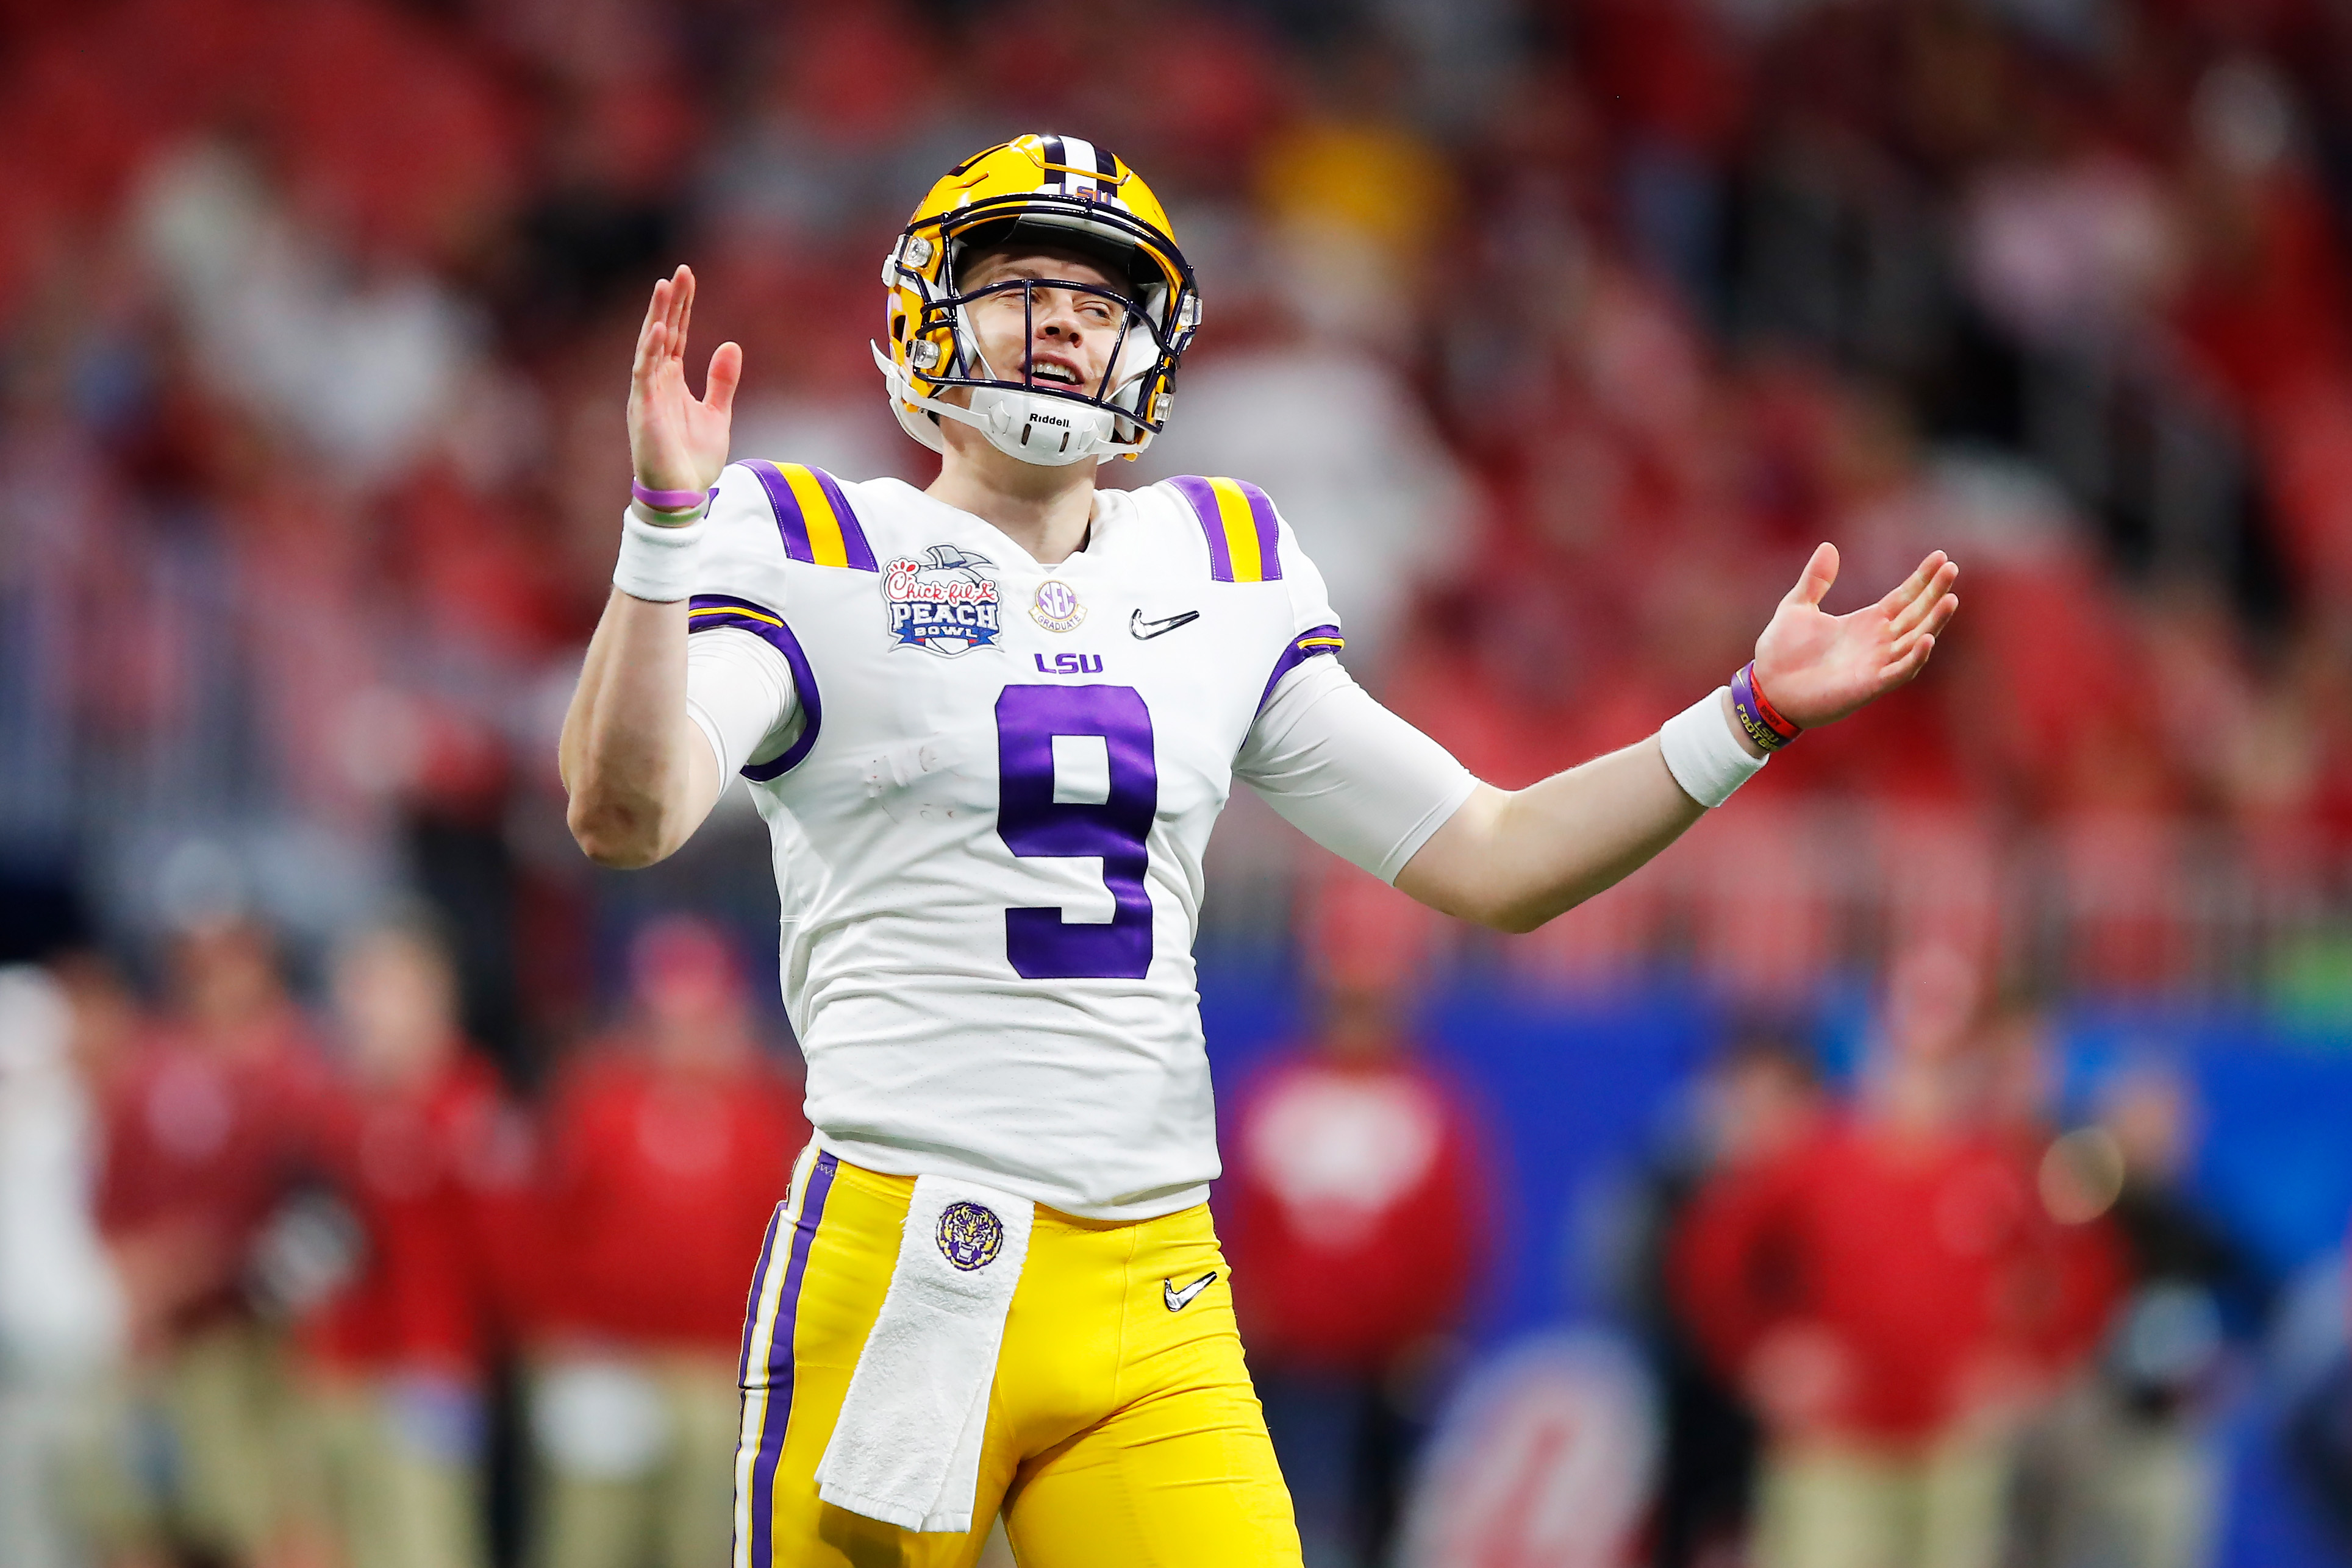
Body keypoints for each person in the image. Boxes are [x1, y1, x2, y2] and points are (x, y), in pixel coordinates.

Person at [556, 132, 1960, 1567]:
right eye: (1020, 285)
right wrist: (663, 530)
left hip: (1156, 1277)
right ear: (925, 310)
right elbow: (627, 812)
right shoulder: (809, 540)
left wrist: (1750, 713)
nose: (1058, 321)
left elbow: (1492, 852)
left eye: (1099, 302)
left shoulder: (1218, 562)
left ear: (1151, 350)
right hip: (909, 1258)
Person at [1671, 947, 2120, 1568]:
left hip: (1954, 1451)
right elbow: (1714, 1256)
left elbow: (2085, 1271)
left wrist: (2032, 1367)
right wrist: (1759, 1354)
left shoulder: (2002, 1163)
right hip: (1835, 1446)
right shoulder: (1815, 1155)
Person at [1221, 870, 1495, 1568]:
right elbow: (1238, 1218)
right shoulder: (1275, 1092)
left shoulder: (1429, 1102)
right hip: (1282, 1353)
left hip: (1385, 1357)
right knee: (1271, 1508)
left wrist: (1434, 1331)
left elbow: (1451, 1230)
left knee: (1380, 1515)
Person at [526, 916, 807, 1568]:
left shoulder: (766, 1109)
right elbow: (549, 1224)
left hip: (721, 1367)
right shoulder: (598, 1098)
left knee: (708, 1540)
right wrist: (558, 1338)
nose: (685, 1028)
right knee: (590, 1540)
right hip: (609, 1355)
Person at [294, 918, 515, 1568]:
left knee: (424, 1547)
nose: (368, 1010)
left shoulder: (467, 1103)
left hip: (428, 1371)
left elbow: (503, 1256)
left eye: (387, 991)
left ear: (434, 999)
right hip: (333, 1367)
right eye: (358, 992)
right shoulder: (335, 1106)